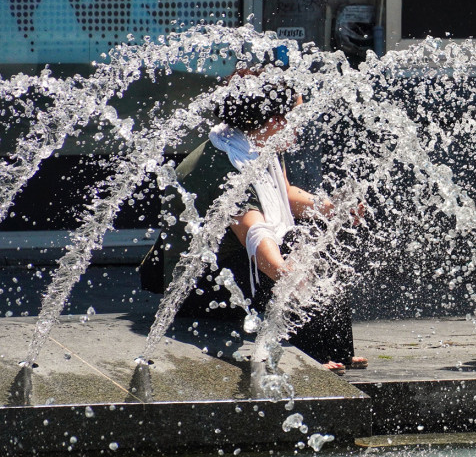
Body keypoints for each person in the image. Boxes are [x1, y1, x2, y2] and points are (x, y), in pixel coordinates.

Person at [142, 67, 365, 372]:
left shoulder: (257, 139)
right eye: (297, 116)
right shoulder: (227, 166)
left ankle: (335, 348)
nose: (300, 125)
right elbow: (256, 234)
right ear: (275, 121)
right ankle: (310, 359)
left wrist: (331, 207)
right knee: (292, 255)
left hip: (230, 263)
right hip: (201, 290)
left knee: (314, 244)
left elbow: (285, 194)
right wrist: (289, 272)